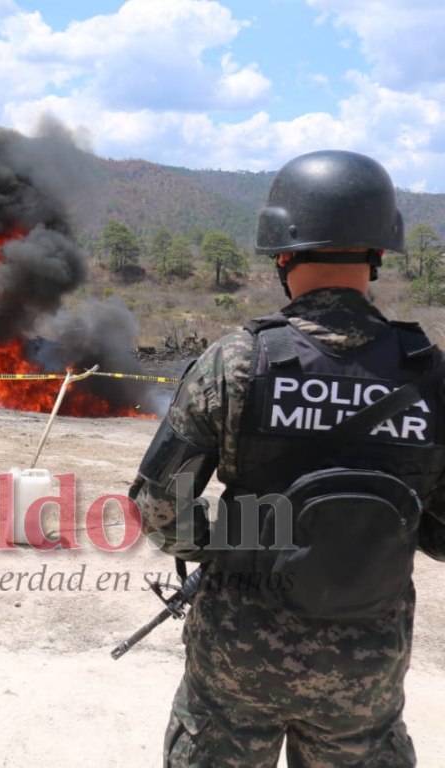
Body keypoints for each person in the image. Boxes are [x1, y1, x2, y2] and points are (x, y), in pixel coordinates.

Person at [130, 150, 445, 767]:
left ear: (282, 255)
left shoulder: (237, 362)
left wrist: (231, 540)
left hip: (239, 657)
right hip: (366, 668)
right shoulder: (430, 375)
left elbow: (160, 512)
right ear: (379, 254)